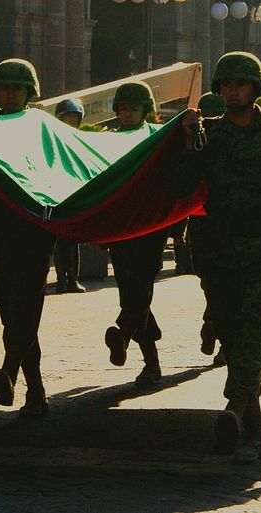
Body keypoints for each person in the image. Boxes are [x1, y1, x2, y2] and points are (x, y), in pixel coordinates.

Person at [173, 52, 261, 463]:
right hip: (216, 250)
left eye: (241, 83)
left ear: (256, 89)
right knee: (233, 338)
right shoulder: (207, 134)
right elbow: (183, 188)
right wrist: (186, 139)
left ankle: (235, 407)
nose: (233, 90)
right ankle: (254, 432)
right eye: (226, 84)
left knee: (253, 330)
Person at [0, 59, 57, 419]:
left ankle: (10, 372)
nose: (12, 93)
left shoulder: (43, 129)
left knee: (26, 307)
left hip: (35, 230)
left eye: (18, 88)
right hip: (0, 232)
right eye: (5, 87)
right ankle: (35, 390)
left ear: (30, 92)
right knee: (11, 313)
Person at [103, 81, 169, 386]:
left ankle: (123, 333)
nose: (128, 114)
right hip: (120, 227)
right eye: (124, 109)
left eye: (134, 108)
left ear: (146, 110)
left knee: (139, 286)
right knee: (130, 292)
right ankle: (151, 363)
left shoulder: (157, 138)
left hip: (151, 227)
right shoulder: (107, 142)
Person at [186, 92, 227, 363]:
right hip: (203, 225)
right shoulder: (193, 140)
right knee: (210, 282)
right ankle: (213, 320)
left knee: (225, 285)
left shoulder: (233, 139)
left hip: (225, 225)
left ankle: (221, 334)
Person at [52, 98, 87, 294]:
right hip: (58, 193)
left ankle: (73, 279)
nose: (72, 120)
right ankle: (60, 280)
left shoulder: (79, 138)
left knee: (73, 241)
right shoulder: (54, 137)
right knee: (60, 241)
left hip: (75, 192)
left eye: (75, 117)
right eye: (68, 116)